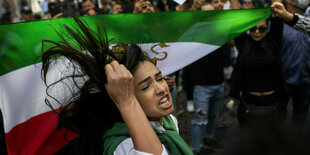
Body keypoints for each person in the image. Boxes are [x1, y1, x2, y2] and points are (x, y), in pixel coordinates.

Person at [41, 17, 193, 155]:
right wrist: (126, 102)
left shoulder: (169, 121)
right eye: (146, 87)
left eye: (159, 79)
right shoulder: (122, 146)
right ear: (125, 96)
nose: (161, 89)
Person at [229, 12, 284, 129]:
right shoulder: (244, 43)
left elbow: (277, 19)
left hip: (271, 101)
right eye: (253, 29)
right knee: (249, 142)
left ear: (268, 29)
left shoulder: (273, 42)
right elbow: (235, 18)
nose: (257, 32)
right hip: (249, 102)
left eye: (262, 29)